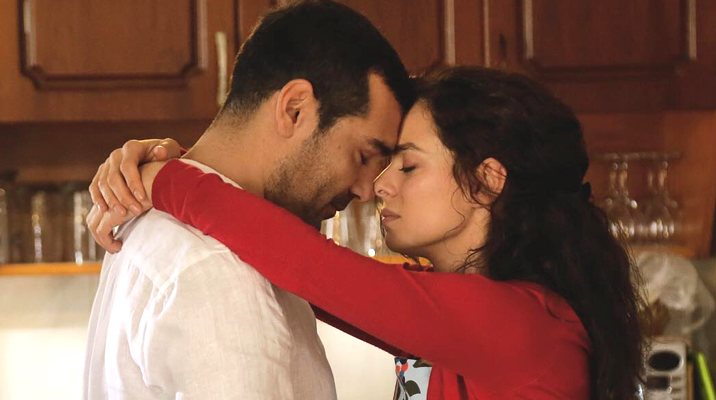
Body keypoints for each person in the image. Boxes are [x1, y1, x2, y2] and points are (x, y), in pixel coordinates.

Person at [91, 67, 647, 399]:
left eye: (408, 165)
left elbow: (309, 267)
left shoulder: (516, 321)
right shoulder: (480, 312)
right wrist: (190, 163)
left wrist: (169, 177)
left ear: (486, 181)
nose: (381, 185)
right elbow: (295, 265)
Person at [82, 1, 414, 399]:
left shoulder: (150, 221)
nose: (365, 191)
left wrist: (171, 176)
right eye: (362, 156)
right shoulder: (220, 271)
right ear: (294, 109)